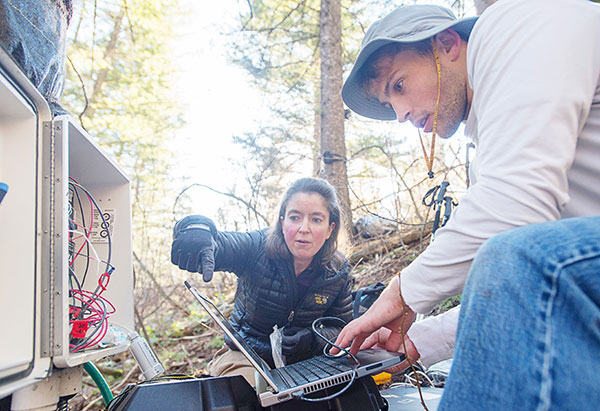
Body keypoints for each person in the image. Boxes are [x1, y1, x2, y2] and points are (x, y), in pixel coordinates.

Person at [331, 0, 600, 409]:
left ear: (447, 44)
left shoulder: (520, 24)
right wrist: (417, 340)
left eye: (399, 85)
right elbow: (524, 287)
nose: (401, 114)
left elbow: (518, 225)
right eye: (389, 105)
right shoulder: (494, 138)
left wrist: (403, 291)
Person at [171, 177, 353, 385]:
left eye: (316, 220)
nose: (304, 228)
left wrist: (312, 339)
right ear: (282, 221)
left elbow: (342, 328)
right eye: (295, 217)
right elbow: (220, 243)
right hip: (246, 357)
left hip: (305, 363)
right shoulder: (257, 247)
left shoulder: (338, 271)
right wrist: (196, 229)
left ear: (330, 228)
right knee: (253, 394)